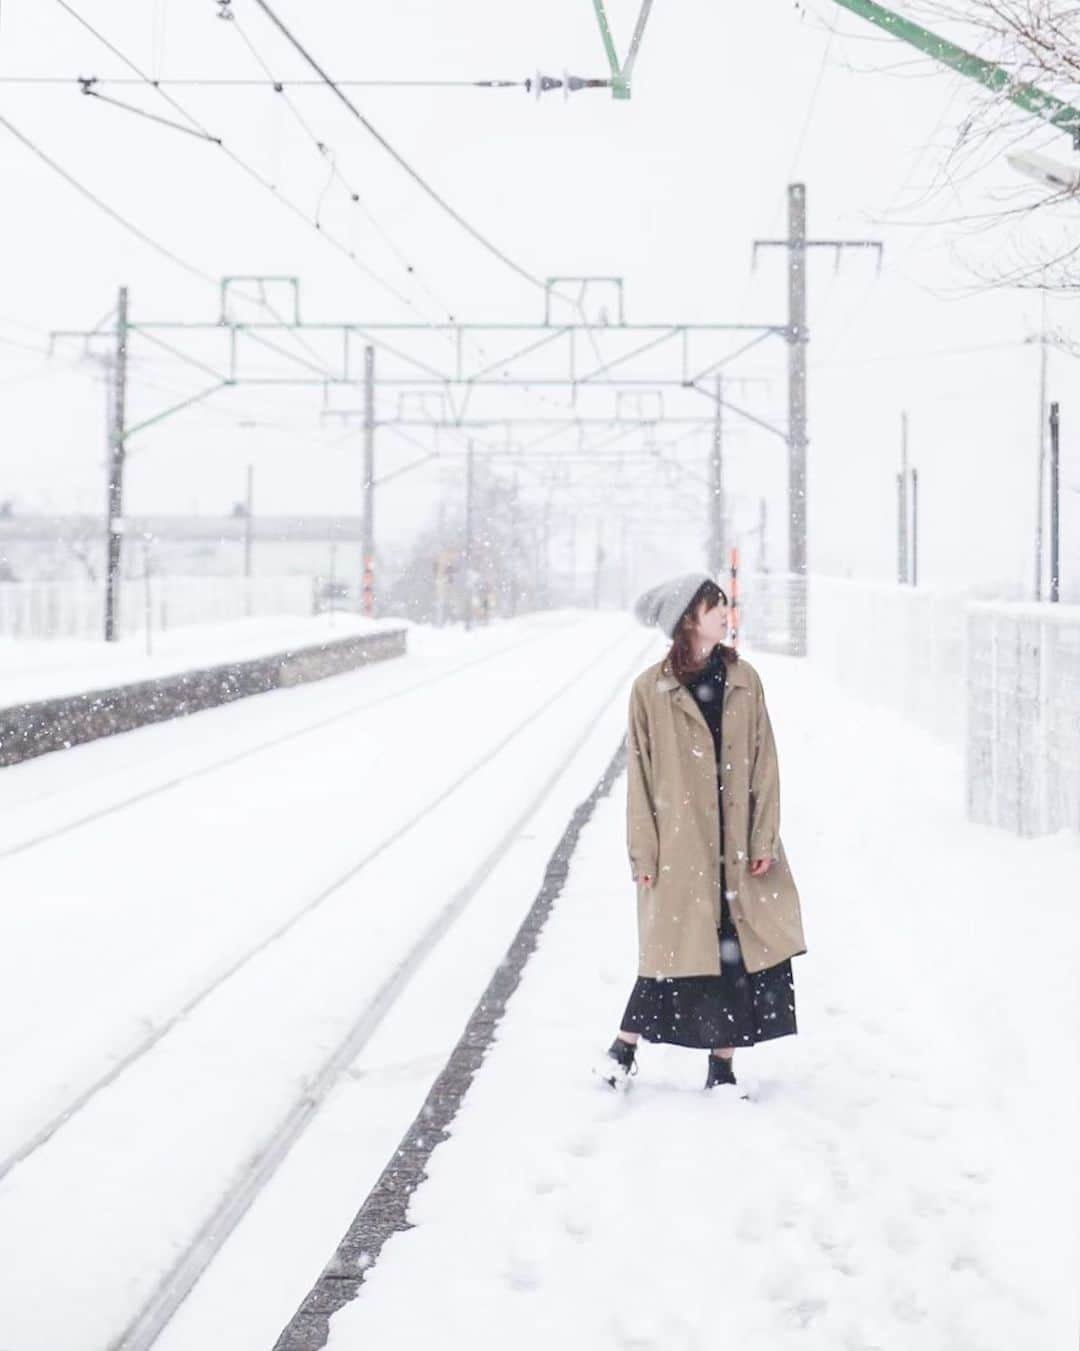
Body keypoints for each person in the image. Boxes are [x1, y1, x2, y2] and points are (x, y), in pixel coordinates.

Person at [597, 573, 806, 1093]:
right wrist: (642, 853)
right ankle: (622, 1049)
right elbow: (640, 781)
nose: (725, 614)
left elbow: (765, 765)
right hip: (680, 849)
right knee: (669, 954)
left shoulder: (744, 679)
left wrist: (763, 839)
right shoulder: (651, 690)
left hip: (736, 847)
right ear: (687, 617)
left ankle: (722, 1068)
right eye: (715, 607)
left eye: (725, 606)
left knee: (733, 954)